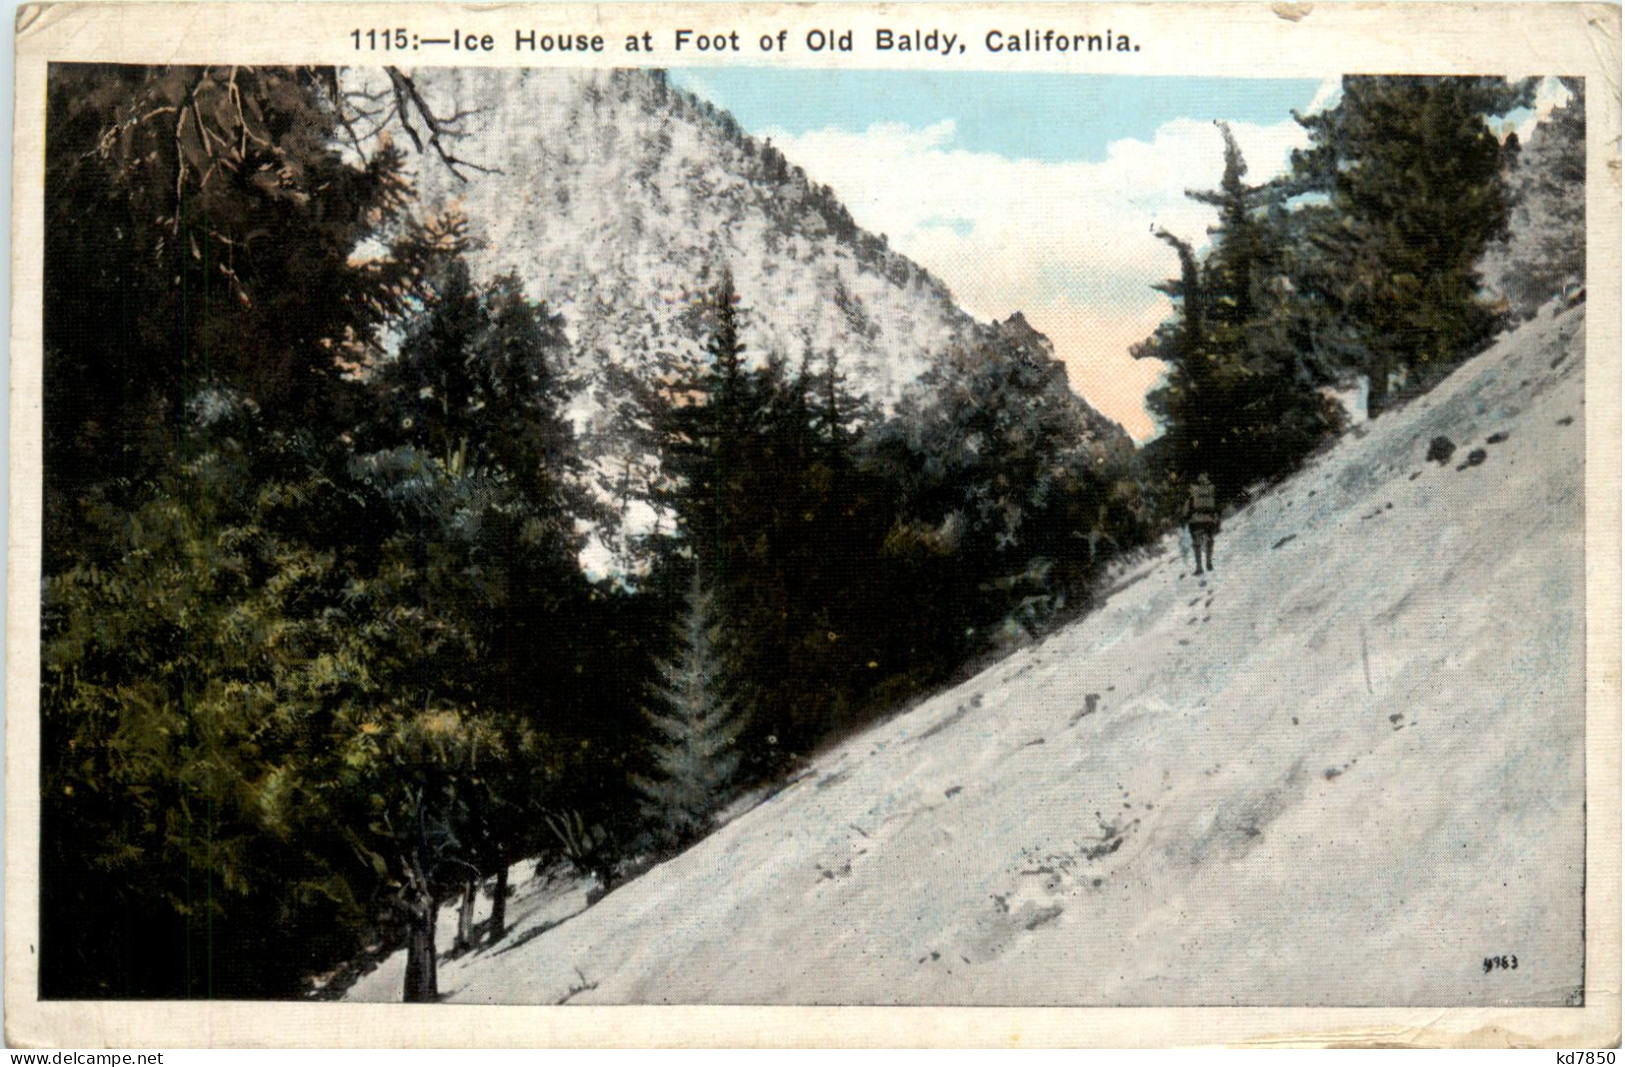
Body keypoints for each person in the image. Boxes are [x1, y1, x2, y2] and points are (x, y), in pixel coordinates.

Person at [1186, 472, 1219, 575]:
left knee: (1197, 543)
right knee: (1209, 540)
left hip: (1197, 519)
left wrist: (1187, 517)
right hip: (1210, 519)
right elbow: (1215, 504)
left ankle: (1199, 567)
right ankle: (1209, 563)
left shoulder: (1193, 489)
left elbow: (1189, 505)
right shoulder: (1211, 488)